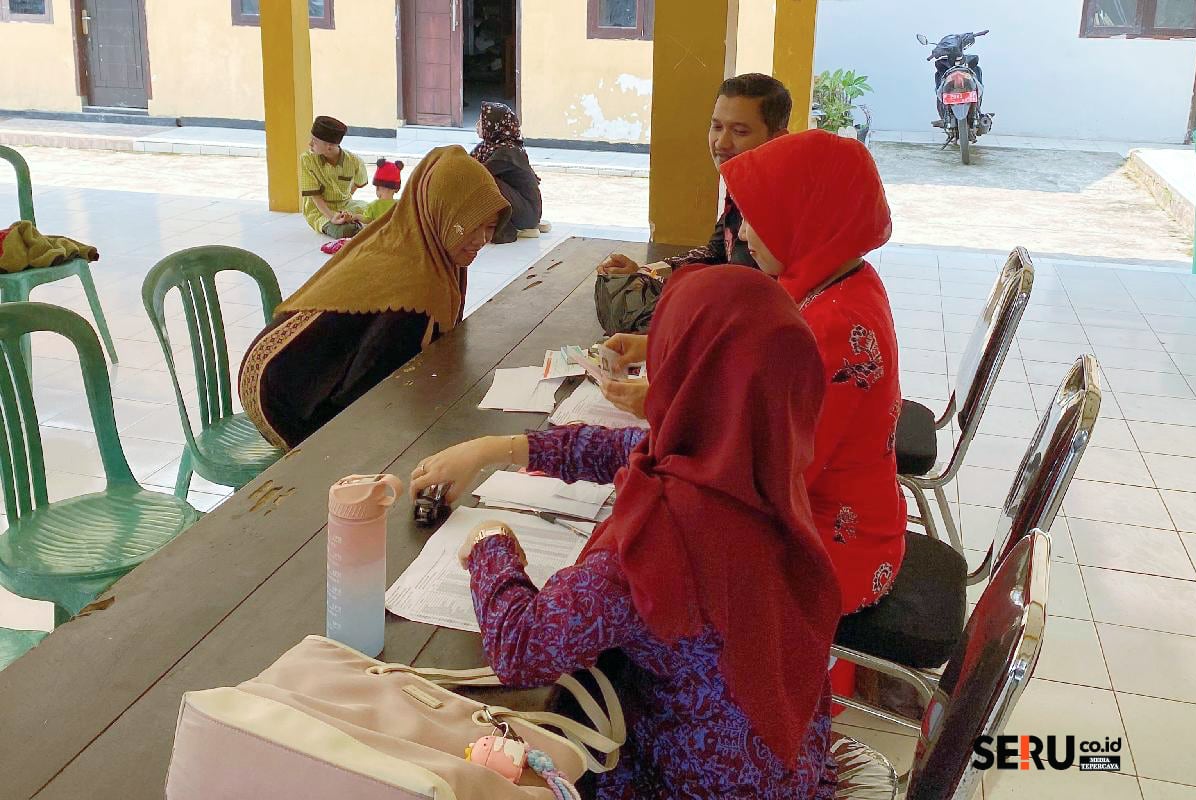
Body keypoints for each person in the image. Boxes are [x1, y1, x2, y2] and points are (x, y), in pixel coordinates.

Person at [417, 131, 904, 615]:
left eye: (757, 217)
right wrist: (659, 353)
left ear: (804, 216)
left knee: (641, 574)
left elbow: (742, 469)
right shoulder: (841, 283)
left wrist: (663, 404)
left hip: (822, 553)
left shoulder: (832, 332)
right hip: (816, 515)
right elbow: (730, 421)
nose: (744, 235)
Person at [442, 268, 842, 798]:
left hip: (690, 785)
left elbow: (520, 647)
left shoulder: (655, 547)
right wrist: (503, 449)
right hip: (787, 762)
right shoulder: (763, 464)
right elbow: (633, 448)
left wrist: (489, 544)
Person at [239, 146, 510, 450]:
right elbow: (369, 395)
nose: (481, 240)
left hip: (292, 371)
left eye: (490, 227)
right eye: (470, 226)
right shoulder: (413, 289)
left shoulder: (416, 238)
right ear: (438, 213)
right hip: (282, 398)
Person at [595, 73, 791, 279]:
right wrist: (647, 272)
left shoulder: (786, 206)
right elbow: (715, 254)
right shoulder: (742, 188)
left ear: (778, 140)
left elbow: (748, 288)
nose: (721, 143)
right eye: (717, 127)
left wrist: (652, 282)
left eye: (740, 131)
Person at [471, 102, 543, 244]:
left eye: (482, 121)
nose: (477, 125)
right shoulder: (488, 146)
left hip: (527, 214)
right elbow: (468, 165)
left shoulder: (507, 151)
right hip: (518, 205)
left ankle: (505, 229)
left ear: (495, 125)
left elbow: (475, 173)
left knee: (484, 181)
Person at [301, 116, 370, 238]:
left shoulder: (354, 161)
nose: (310, 144)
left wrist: (347, 199)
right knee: (343, 231)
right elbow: (315, 196)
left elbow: (359, 182)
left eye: (314, 141)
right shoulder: (307, 160)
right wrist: (332, 216)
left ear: (329, 146)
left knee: (378, 212)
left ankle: (356, 223)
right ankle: (357, 226)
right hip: (320, 212)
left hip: (347, 206)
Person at [362, 158, 405, 223]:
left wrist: (356, 216)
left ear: (377, 188)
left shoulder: (372, 206)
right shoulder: (399, 205)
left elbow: (366, 220)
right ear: (396, 189)